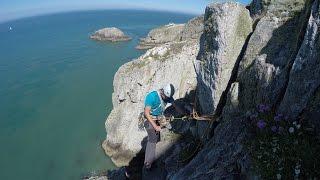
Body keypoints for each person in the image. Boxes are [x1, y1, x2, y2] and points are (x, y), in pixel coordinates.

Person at [143, 83, 182, 170]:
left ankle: (155, 150)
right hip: (149, 119)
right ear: (162, 92)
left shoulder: (167, 96)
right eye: (166, 98)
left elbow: (175, 105)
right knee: (152, 139)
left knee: (162, 132)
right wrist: (155, 127)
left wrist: (183, 114)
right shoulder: (152, 96)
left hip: (158, 117)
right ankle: (148, 163)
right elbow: (146, 113)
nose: (167, 99)